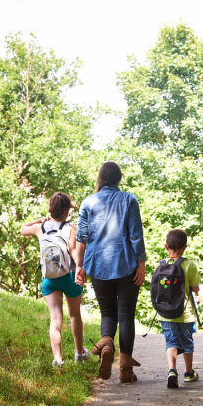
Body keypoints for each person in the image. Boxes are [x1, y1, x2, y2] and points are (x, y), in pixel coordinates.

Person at [74, 161, 146, 383]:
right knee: (126, 316)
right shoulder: (129, 199)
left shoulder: (88, 201)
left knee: (108, 313)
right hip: (126, 265)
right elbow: (136, 235)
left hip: (97, 265)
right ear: (119, 178)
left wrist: (80, 266)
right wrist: (141, 264)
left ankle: (106, 343)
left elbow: (81, 239)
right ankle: (125, 370)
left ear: (100, 178)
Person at [20, 192, 89, 367]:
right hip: (70, 276)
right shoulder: (71, 228)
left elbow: (22, 229)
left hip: (49, 278)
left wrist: (39, 221)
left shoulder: (40, 228)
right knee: (74, 315)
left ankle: (57, 359)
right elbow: (73, 251)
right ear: (66, 210)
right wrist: (80, 267)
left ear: (51, 209)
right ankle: (79, 354)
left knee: (55, 318)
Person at [156, 229, 201, 389]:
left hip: (166, 313)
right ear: (185, 247)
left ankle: (172, 371)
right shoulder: (189, 264)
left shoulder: (160, 265)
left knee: (171, 342)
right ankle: (189, 373)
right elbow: (196, 289)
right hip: (186, 313)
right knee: (187, 342)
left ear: (166, 247)